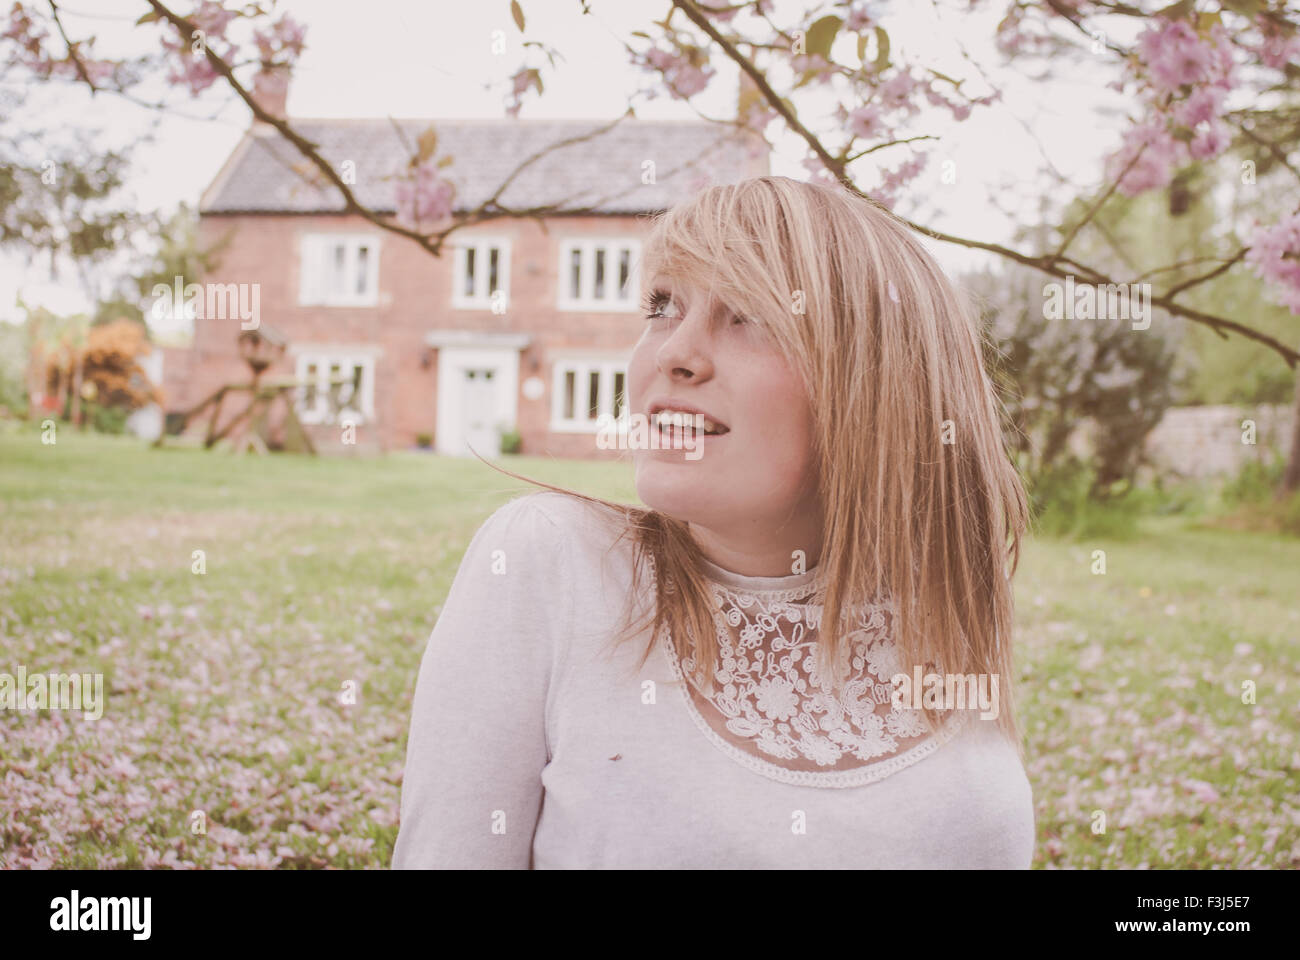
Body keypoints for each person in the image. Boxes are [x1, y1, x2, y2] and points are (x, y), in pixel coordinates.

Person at [392, 176, 1035, 869]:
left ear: (879, 384)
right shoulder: (552, 566)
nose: (673, 353)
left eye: (748, 314)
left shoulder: (944, 621)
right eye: (663, 306)